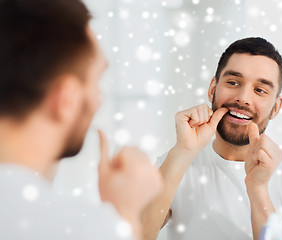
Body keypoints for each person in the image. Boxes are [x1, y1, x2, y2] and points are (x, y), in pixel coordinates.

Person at [0, 0, 162, 239]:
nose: (98, 100)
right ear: (66, 99)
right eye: (96, 81)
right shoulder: (80, 230)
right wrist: (125, 215)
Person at [142, 38, 282, 240]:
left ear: (276, 107)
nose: (243, 98)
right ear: (213, 89)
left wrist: (258, 190)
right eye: (233, 82)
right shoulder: (174, 163)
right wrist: (183, 152)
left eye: (260, 90)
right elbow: (138, 234)